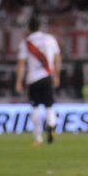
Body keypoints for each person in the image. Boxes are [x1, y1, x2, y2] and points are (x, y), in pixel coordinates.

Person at [15, 16, 62, 145]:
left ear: (29, 28)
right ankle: (51, 124)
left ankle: (38, 138)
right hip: (47, 77)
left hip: (33, 79)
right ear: (40, 26)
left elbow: (21, 65)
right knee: (49, 105)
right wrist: (56, 75)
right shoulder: (50, 39)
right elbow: (57, 59)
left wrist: (19, 81)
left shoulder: (26, 43)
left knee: (34, 107)